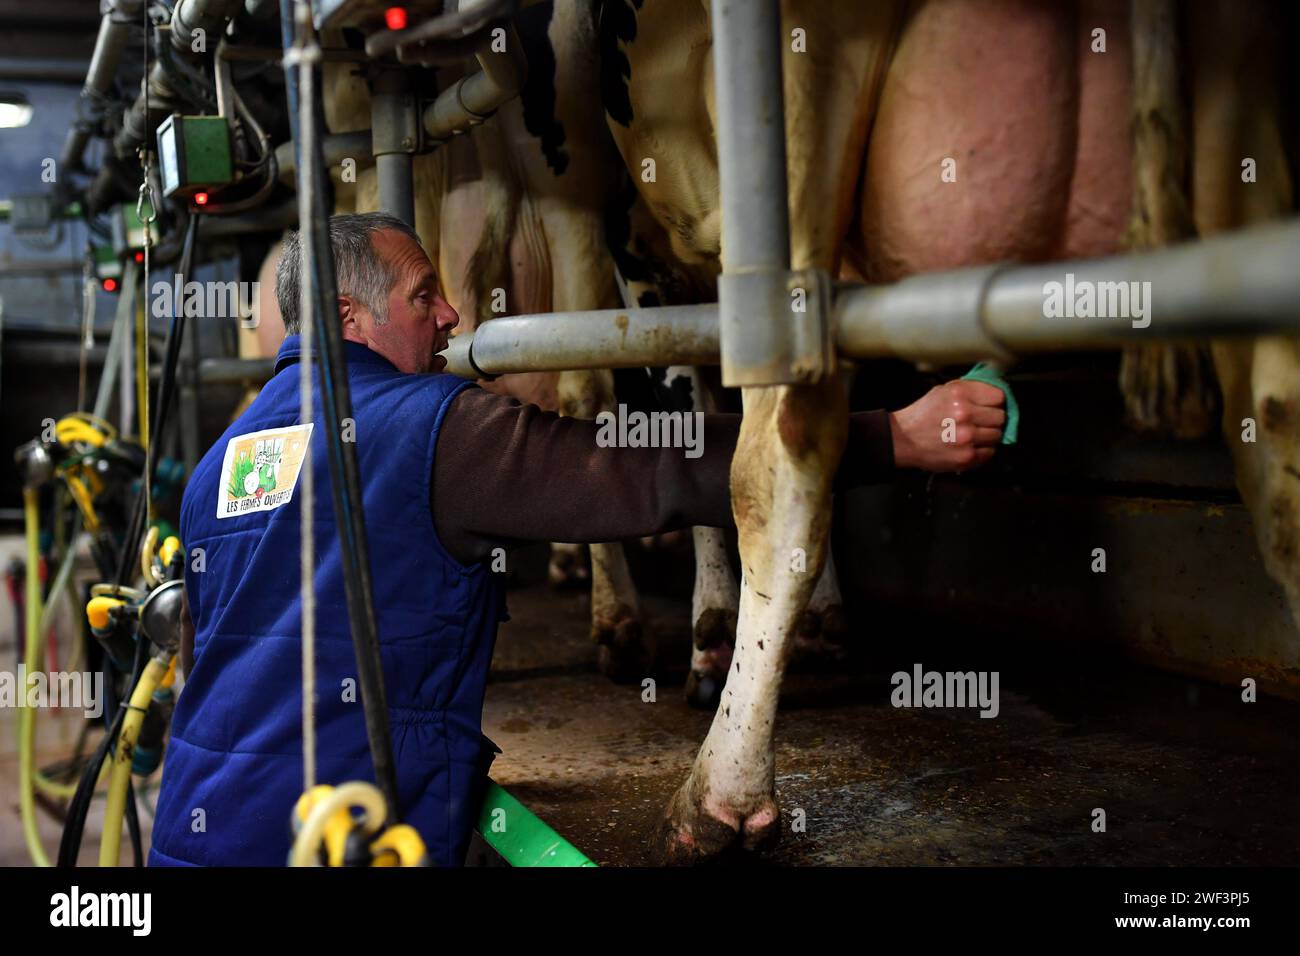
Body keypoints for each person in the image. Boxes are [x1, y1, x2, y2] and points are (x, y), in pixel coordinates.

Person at [147, 212, 1006, 866]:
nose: (451, 315)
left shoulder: (221, 461)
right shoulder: (431, 430)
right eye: (421, 297)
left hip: (195, 829)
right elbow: (650, 470)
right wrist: (892, 435)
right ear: (348, 318)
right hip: (344, 834)